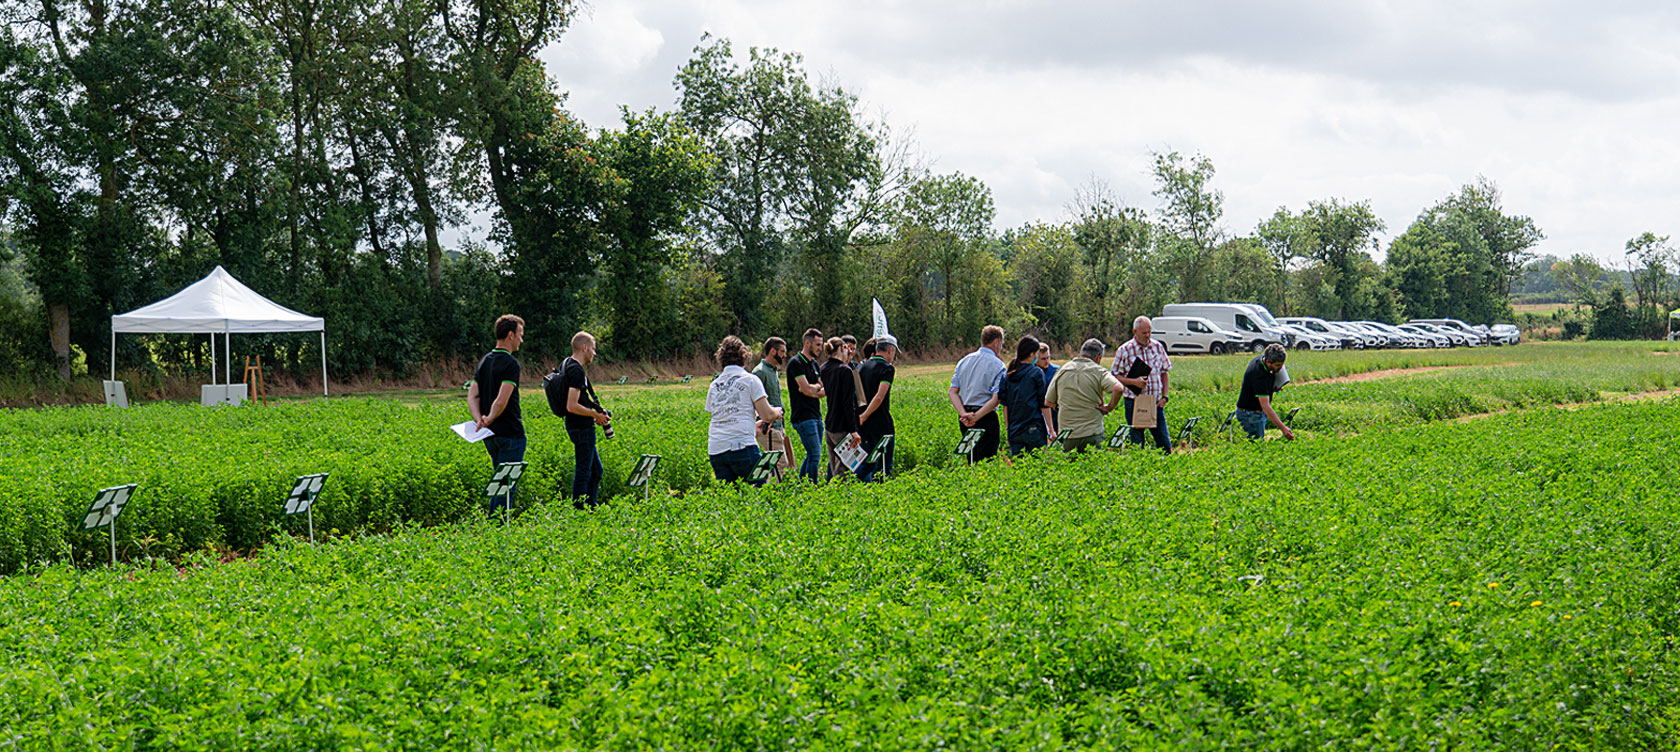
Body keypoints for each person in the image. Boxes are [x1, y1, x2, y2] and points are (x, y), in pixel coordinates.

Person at [705, 336, 785, 485]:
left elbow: (723, 416)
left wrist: (754, 426)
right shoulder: (750, 380)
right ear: (744, 356)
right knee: (758, 491)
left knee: (731, 497)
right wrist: (777, 412)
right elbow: (767, 415)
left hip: (716, 449)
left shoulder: (714, 385)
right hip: (742, 446)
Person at [468, 314, 525, 518]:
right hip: (510, 433)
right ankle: (498, 527)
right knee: (506, 487)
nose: (521, 340)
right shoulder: (511, 364)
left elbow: (472, 395)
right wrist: (490, 417)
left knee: (498, 483)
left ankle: (494, 525)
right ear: (510, 335)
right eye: (520, 335)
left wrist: (479, 420)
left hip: (490, 435)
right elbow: (502, 400)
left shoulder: (485, 361)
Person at [1045, 338, 1124, 452]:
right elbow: (1118, 388)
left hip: (1068, 435)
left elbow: (1048, 402)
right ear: (1098, 357)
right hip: (1092, 433)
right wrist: (1109, 407)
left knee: (1069, 467)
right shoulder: (1099, 371)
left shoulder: (1063, 370)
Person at [561, 331, 611, 509]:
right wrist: (594, 415)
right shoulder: (575, 370)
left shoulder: (567, 364)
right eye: (593, 349)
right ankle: (579, 511)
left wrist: (596, 411)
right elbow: (571, 405)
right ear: (584, 347)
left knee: (596, 471)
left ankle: (591, 507)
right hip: (581, 428)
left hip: (579, 426)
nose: (594, 353)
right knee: (584, 472)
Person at [1111, 315, 1174, 454]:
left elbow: (1164, 373)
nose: (1147, 336)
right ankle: (1140, 470)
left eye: (1149, 332)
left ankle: (1166, 468)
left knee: (1164, 443)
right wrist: (1133, 382)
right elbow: (1115, 375)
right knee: (1137, 443)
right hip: (1134, 402)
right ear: (1135, 332)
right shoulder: (1125, 350)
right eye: (1144, 333)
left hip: (1155, 402)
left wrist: (1165, 397)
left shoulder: (1157, 347)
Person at [948, 325, 1007, 463]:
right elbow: (996, 398)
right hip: (986, 416)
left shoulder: (964, 361)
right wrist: (977, 417)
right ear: (996, 342)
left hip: (965, 416)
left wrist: (963, 414)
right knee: (987, 461)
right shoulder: (998, 365)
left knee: (972, 459)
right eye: (1001, 343)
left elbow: (953, 391)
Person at [785, 328, 828, 483]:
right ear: (807, 343)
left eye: (821, 345)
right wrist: (814, 388)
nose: (819, 348)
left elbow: (823, 389)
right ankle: (811, 487)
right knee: (815, 454)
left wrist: (813, 389)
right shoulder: (796, 363)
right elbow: (805, 389)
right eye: (817, 344)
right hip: (803, 416)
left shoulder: (814, 364)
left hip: (816, 414)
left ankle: (802, 484)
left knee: (812, 454)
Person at [999, 336, 1054, 456]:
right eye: (1036, 354)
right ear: (1031, 354)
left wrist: (1008, 429)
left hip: (1015, 431)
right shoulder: (1036, 373)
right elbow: (1043, 404)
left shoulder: (1008, 375)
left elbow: (1005, 406)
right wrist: (1051, 430)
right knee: (1037, 467)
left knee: (1020, 467)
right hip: (1033, 428)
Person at [819, 336, 863, 479]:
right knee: (844, 470)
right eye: (846, 348)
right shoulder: (845, 371)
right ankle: (839, 498)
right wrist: (853, 430)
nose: (848, 351)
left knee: (834, 467)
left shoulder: (824, 368)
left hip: (830, 425)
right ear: (841, 349)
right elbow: (848, 403)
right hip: (843, 427)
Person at [751, 337, 795, 479]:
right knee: (779, 464)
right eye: (782, 351)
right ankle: (774, 496)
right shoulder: (760, 372)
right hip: (767, 427)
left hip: (777, 426)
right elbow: (752, 401)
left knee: (773, 465)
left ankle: (763, 491)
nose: (784, 355)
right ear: (772, 351)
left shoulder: (772, 371)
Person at [857, 335, 897, 481]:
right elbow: (880, 396)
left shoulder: (862, 367)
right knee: (884, 465)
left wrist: (861, 416)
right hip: (881, 423)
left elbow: (859, 397)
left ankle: (848, 486)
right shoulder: (887, 369)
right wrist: (866, 414)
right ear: (890, 350)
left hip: (865, 425)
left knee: (868, 463)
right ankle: (881, 495)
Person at [1236, 344, 1297, 441]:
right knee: (1256, 447)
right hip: (1250, 416)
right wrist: (1283, 428)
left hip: (1254, 413)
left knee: (1257, 445)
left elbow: (1259, 388)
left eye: (1282, 364)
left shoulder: (1263, 361)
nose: (1280, 368)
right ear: (1268, 362)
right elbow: (1265, 407)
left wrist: (1271, 388)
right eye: (1278, 365)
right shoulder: (1259, 375)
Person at [1038, 340, 1060, 428]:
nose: (1046, 361)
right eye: (1043, 359)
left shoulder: (1056, 370)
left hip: (1053, 411)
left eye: (1048, 358)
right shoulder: (1032, 372)